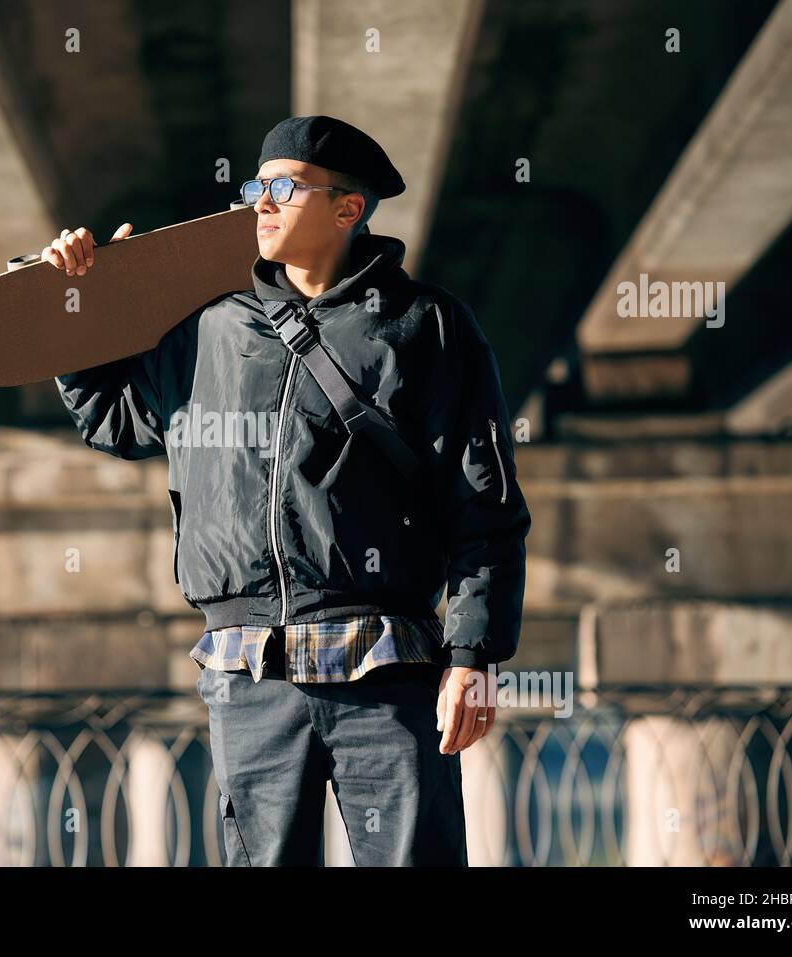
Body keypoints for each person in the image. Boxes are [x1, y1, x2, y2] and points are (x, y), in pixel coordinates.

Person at [50, 115, 531, 866]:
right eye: (254, 188)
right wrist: (79, 303)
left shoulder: (425, 327)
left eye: (283, 188)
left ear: (349, 208)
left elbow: (485, 506)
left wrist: (473, 655)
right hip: (249, 674)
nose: (260, 204)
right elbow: (115, 420)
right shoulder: (210, 330)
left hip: (385, 672)